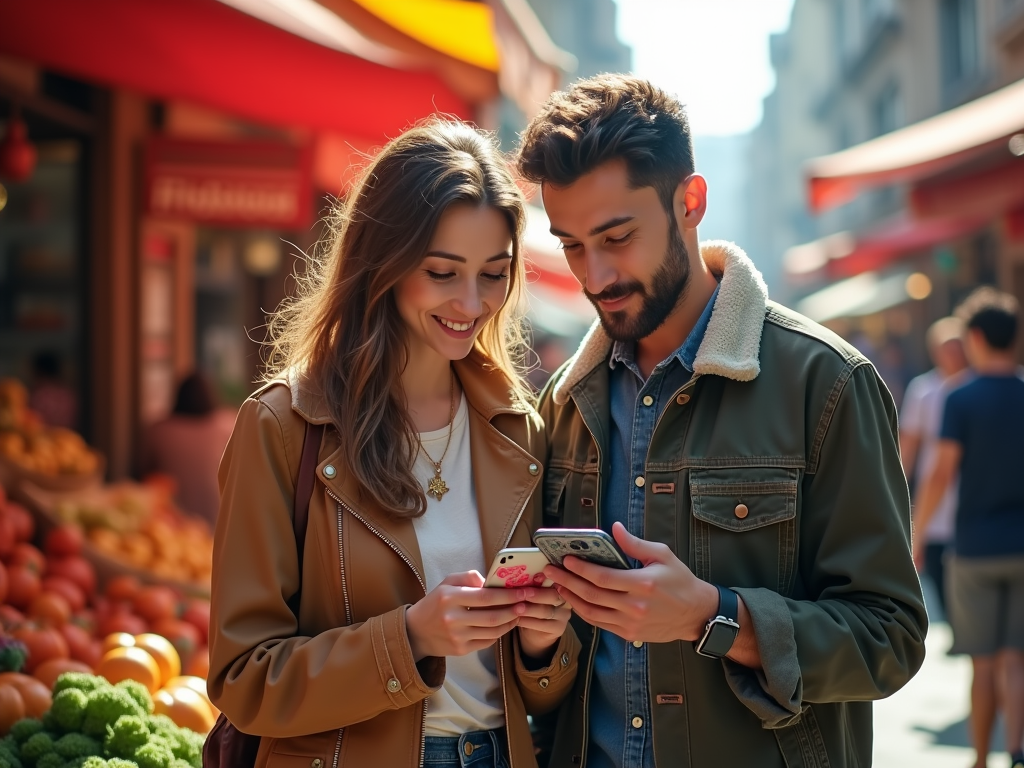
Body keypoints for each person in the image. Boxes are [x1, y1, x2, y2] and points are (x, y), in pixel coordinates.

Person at [517, 74, 927, 768]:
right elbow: (555, 676)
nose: (596, 275)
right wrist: (536, 640)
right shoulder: (563, 402)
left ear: (691, 202)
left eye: (617, 236)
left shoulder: (825, 382)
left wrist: (714, 618)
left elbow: (890, 641)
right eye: (572, 245)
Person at [208, 120, 579, 768]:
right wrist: (409, 638)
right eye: (443, 272)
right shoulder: (282, 427)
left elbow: (536, 695)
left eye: (494, 274)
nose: (472, 302)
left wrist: (544, 647)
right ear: (383, 261)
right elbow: (244, 678)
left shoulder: (518, 430)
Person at [914, 287, 1024, 768]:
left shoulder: (960, 399)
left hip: (974, 547)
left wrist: (915, 534)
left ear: (974, 337)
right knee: (1017, 659)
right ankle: (1016, 752)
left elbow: (940, 473)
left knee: (982, 663)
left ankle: (981, 759)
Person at [899, 316, 970, 617]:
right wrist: (899, 483)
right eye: (946, 349)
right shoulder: (923, 389)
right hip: (935, 486)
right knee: (938, 562)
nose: (952, 355)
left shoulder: (974, 386)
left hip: (970, 488)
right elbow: (910, 442)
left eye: (957, 347)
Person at [142, 372, 235, 526]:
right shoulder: (229, 426)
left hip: (170, 526)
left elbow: (145, 476)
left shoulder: (158, 431)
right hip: (220, 524)